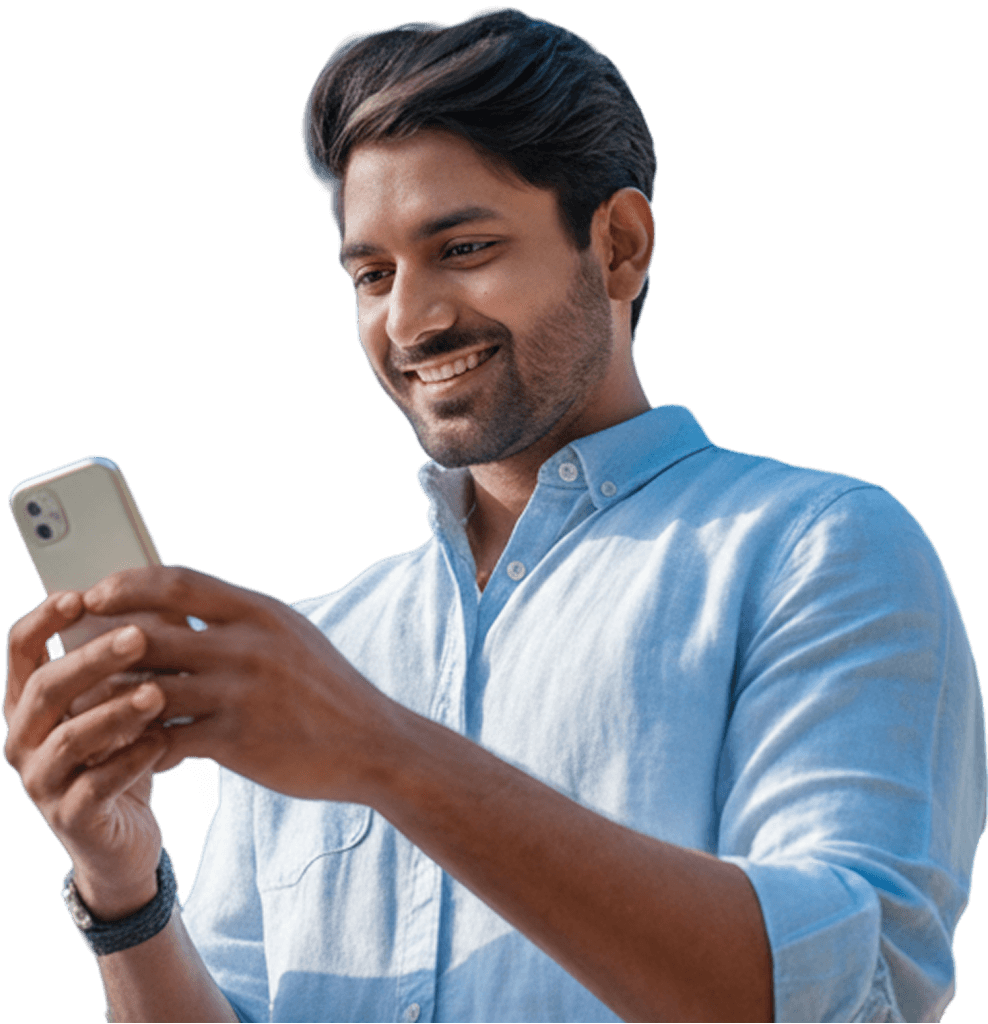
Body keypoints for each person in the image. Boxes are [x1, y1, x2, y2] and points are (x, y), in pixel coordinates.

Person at [3, 9, 985, 1023]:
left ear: (618, 245)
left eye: (462, 246)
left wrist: (383, 753)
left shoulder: (816, 550)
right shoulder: (328, 644)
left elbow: (841, 993)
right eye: (371, 274)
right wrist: (124, 890)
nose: (409, 318)